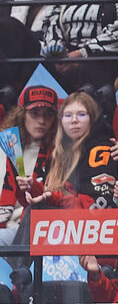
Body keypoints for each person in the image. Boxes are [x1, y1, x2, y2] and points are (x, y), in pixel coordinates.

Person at [24, 91, 116, 209]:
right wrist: (31, 188)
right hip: (56, 218)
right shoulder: (56, 156)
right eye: (68, 115)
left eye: (81, 114)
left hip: (91, 219)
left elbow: (101, 204)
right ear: (61, 121)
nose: (74, 120)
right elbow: (44, 198)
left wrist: (52, 199)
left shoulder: (103, 150)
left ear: (92, 118)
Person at [39, 0, 118, 89]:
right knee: (37, 62)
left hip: (107, 59)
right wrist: (59, 54)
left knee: (88, 67)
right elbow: (51, 24)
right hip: (68, 57)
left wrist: (83, 52)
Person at [0, 85, 57, 220]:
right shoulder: (4, 144)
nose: (41, 121)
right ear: (21, 115)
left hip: (33, 224)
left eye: (48, 114)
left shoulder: (59, 151)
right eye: (34, 113)